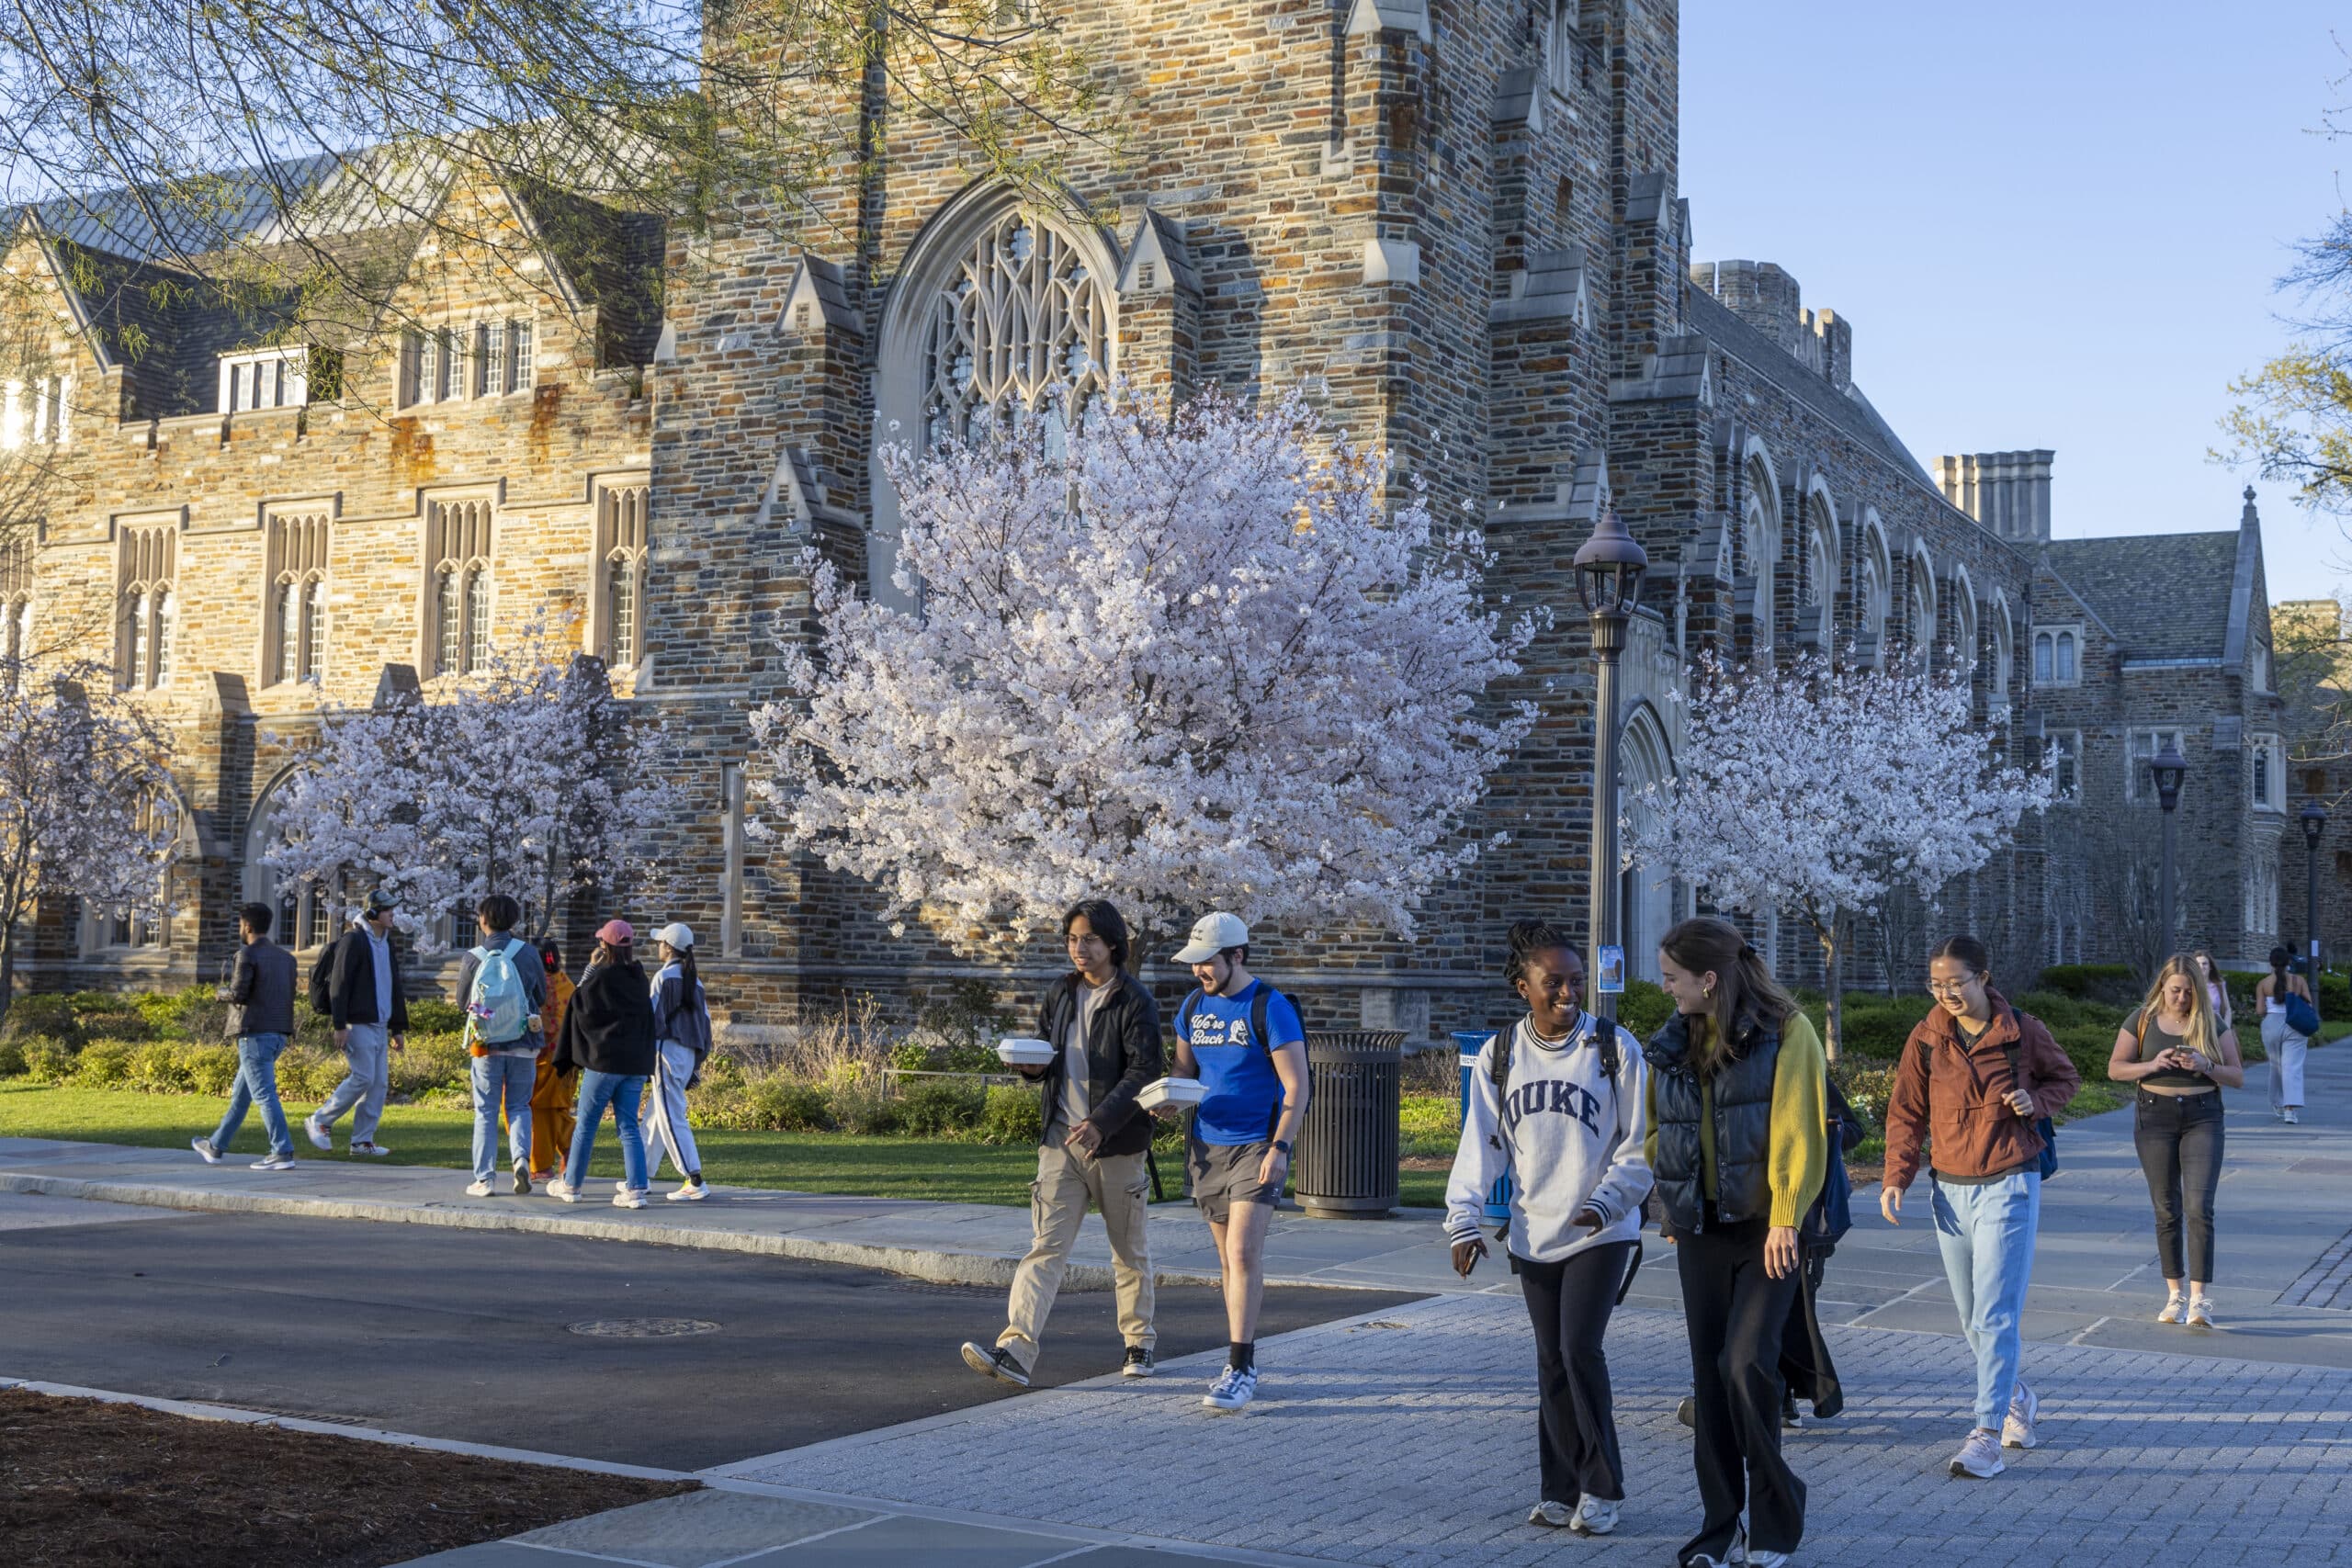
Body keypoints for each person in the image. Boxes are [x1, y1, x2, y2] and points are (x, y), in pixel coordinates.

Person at [1445, 920, 1649, 1538]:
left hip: (1601, 1230)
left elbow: (1642, 1144)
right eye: (1553, 981)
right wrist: (1463, 1220)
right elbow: (1482, 1144)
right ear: (1523, 987)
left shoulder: (1615, 1048)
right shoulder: (1500, 1054)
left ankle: (1603, 1486)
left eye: (1576, 980)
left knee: (1578, 1351)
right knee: (1549, 1361)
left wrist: (1609, 1202)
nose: (1568, 991)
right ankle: (1558, 1488)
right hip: (1535, 1231)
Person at [1644, 916, 1825, 1568]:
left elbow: (1799, 1128)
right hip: (1701, 1231)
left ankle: (1776, 1513)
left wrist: (1785, 1216)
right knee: (1709, 1379)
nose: (1666, 988)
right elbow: (1657, 1129)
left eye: (1672, 977)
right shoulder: (1672, 1039)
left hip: (1767, 1229)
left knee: (1744, 1364)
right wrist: (1670, 1203)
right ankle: (1719, 1528)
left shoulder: (1788, 1032)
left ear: (1708, 977)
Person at [1880, 934, 2080, 1481]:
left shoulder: (2022, 1031)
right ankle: (2017, 1397)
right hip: (1949, 1188)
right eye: (1936, 983)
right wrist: (1897, 1176)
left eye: (1956, 982)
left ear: (1983, 978)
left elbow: (2067, 1078)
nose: (1946, 993)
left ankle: (1986, 1431)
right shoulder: (1926, 1037)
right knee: (1971, 1319)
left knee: (1994, 1315)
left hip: (2010, 1181)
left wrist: (2034, 1103)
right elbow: (1906, 1111)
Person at [961, 899, 1162, 1388]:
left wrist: (1100, 1122)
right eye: (1072, 939)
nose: (1079, 948)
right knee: (1044, 1249)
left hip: (1115, 1147)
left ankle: (1139, 1342)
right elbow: (1047, 1053)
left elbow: (1144, 1071)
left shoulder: (1136, 1000)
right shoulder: (1061, 992)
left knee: (1127, 1251)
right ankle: (1015, 1350)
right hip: (1060, 1143)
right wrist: (1034, 1069)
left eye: (1089, 939)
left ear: (1112, 943)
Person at [1166, 910, 1310, 1414]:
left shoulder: (1271, 1007)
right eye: (1195, 964)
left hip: (1257, 1145)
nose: (1199, 972)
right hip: (1208, 1147)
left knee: (1245, 1254)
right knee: (1228, 1260)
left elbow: (1297, 1085)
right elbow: (1184, 1069)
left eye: (1207, 963)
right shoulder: (1192, 1006)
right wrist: (1168, 1098)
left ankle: (1241, 1365)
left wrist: (1280, 1148)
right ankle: (1238, 1356)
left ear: (1237, 956)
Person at [2110, 953, 2245, 1328]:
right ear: (2162, 988)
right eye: (2174, 991)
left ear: (2197, 991)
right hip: (2154, 1115)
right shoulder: (2141, 1020)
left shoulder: (2211, 1022)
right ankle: (2175, 1295)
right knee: (2166, 1206)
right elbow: (2116, 1068)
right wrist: (2153, 1064)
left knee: (2200, 1207)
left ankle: (2200, 1301)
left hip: (2202, 1115)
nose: (2180, 998)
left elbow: (2237, 1075)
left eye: (2187, 992)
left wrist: (2206, 1066)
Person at [548, 920, 657, 1208]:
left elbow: (578, 1002)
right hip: (634, 1065)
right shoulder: (639, 977)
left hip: (604, 1063)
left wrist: (591, 968)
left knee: (586, 1124)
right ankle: (635, 1189)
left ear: (604, 945)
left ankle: (571, 1185)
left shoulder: (602, 976)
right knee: (628, 1127)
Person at [192, 901, 300, 1171]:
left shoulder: (246, 955)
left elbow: (239, 994)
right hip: (279, 1034)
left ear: (248, 926)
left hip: (253, 1034)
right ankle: (215, 1146)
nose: (240, 929)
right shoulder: (287, 958)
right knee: (241, 1096)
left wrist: (221, 993)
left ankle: (282, 1151)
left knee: (264, 1095)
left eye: (241, 925)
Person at [455, 894, 548, 1197]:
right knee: (520, 1106)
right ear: (513, 920)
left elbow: (462, 1003)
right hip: (524, 1042)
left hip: (486, 1044)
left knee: (486, 1111)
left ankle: (485, 1178)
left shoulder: (473, 957)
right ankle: (521, 1160)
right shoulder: (529, 953)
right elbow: (542, 996)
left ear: (484, 921)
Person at [305, 890, 410, 1157]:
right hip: (356, 1022)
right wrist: (339, 1024)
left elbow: (394, 986)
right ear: (373, 913)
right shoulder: (353, 941)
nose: (392, 914)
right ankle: (320, 1120)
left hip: (380, 1022)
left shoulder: (386, 943)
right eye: (387, 910)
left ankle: (362, 1142)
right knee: (363, 1076)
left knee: (378, 1084)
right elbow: (339, 985)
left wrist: (397, 1027)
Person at [643, 921, 714, 1201]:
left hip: (666, 1051)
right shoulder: (695, 982)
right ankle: (641, 1176)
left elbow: (651, 1020)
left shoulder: (662, 978)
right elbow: (705, 1027)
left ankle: (694, 1177)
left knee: (671, 1116)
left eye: (661, 942)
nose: (658, 946)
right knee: (655, 1117)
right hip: (687, 1054)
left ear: (669, 947)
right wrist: (696, 1064)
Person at [514, 939, 578, 1179]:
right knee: (556, 1109)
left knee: (538, 1110)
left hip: (538, 1059)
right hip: (565, 1061)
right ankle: (571, 1148)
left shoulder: (530, 984)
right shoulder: (566, 984)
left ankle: (541, 1166)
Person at [2255, 944, 2313, 1125]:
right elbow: (2309, 1005)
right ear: (2289, 962)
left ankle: (2277, 1103)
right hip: (2294, 1024)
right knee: (2292, 1067)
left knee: (2276, 1066)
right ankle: (2290, 1110)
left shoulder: (2263, 983)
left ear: (2271, 963)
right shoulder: (2298, 981)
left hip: (2271, 1025)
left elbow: (2260, 1010)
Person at [2193, 950, 2233, 1037]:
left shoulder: (2219, 985)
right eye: (2198, 964)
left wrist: (2226, 1029)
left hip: (2217, 1030)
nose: (2201, 966)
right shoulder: (2189, 986)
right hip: (2196, 1031)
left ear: (2210, 966)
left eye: (2205, 963)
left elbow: (2227, 1009)